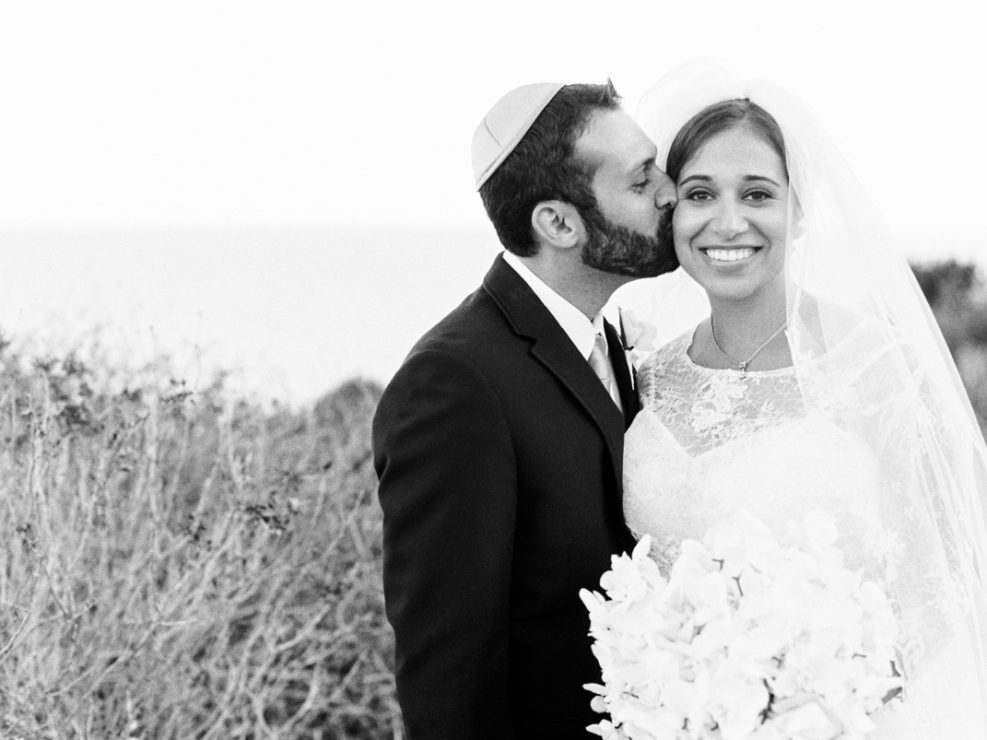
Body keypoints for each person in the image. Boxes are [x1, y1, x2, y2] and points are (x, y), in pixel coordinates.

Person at [617, 65, 987, 737]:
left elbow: (942, 590)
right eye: (700, 194)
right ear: (672, 214)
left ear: (798, 209)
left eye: (756, 194)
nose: (727, 222)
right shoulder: (646, 376)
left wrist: (821, 711)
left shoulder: (871, 363)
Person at [372, 80, 679, 738]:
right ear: (559, 223)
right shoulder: (453, 384)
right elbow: (447, 684)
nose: (668, 192)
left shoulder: (608, 340)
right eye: (640, 179)